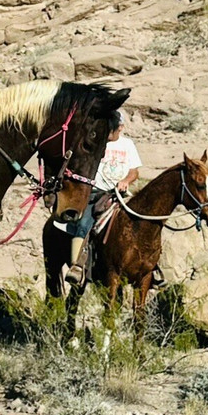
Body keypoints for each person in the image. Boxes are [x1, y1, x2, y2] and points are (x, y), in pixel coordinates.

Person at [63, 108, 141, 285]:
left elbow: (134, 171)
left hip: (120, 195)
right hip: (96, 193)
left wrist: (125, 180)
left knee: (144, 222)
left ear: (120, 127)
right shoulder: (95, 142)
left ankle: (151, 267)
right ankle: (77, 266)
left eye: (113, 128)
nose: (110, 131)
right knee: (84, 224)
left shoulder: (128, 145)